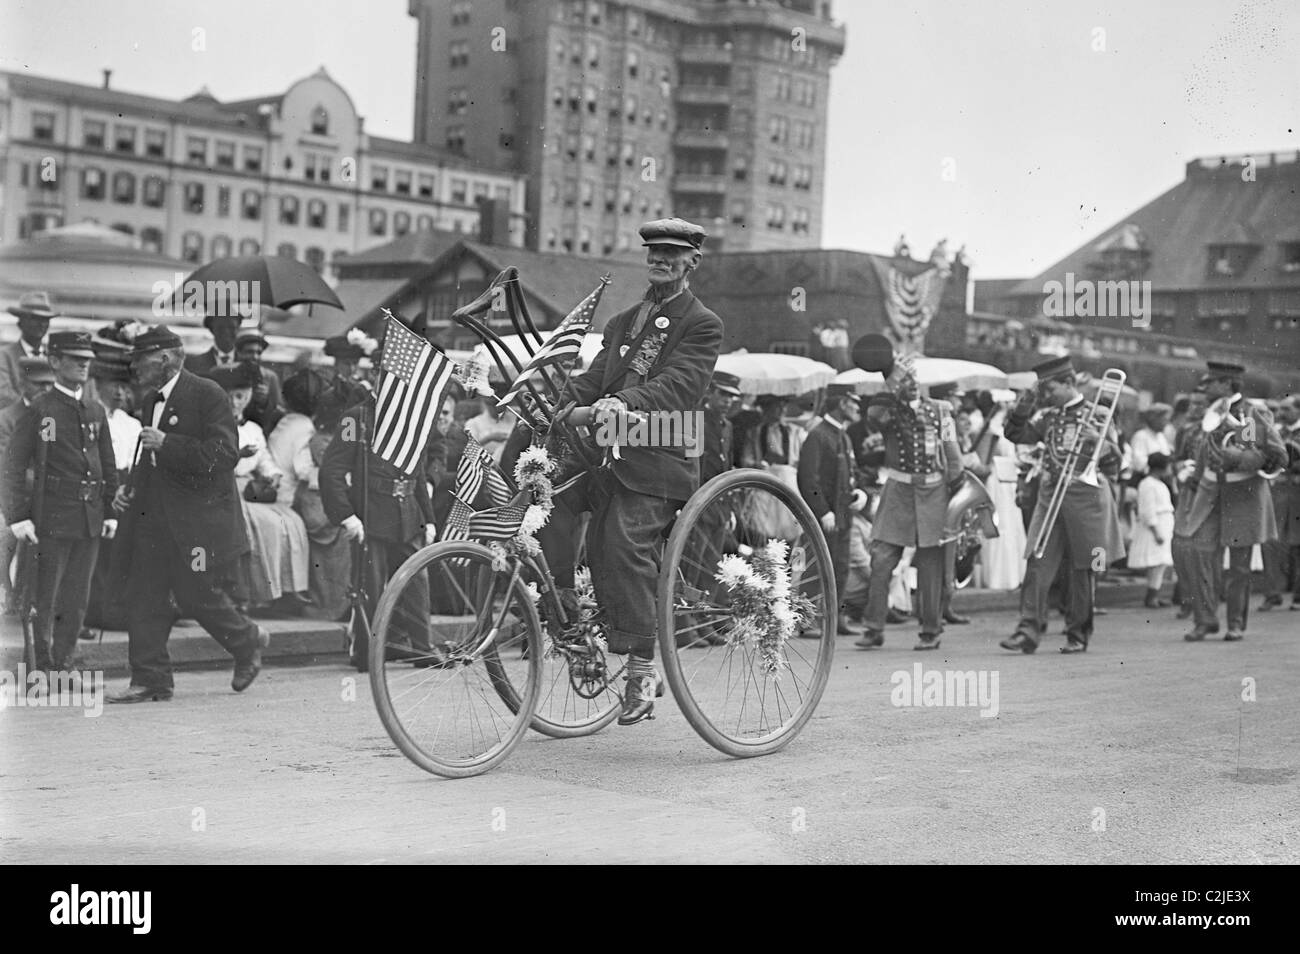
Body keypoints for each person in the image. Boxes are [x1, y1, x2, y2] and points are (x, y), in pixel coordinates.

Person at [558, 216, 723, 725]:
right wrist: (557, 401)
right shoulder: (623, 321)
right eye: (654, 251)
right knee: (550, 505)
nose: (661, 259)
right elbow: (593, 379)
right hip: (608, 451)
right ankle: (569, 624)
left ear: (693, 261)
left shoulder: (702, 324)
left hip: (660, 460)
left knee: (622, 542)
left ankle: (641, 668)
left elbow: (679, 387)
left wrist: (620, 403)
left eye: (673, 253)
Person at [106, 326, 269, 703]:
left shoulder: (207, 393)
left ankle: (248, 642)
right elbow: (149, 459)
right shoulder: (150, 400)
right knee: (144, 595)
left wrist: (168, 443)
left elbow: (224, 456)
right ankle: (150, 679)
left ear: (163, 359)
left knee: (197, 594)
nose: (133, 366)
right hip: (155, 520)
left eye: (139, 358)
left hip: (198, 524)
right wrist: (128, 488)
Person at [2, 334, 117, 672]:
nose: (83, 363)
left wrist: (109, 509)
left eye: (87, 357)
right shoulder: (43, 410)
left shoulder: (95, 409)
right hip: (51, 518)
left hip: (89, 517)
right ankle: (41, 665)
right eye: (74, 357)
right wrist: (19, 516)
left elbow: (106, 463)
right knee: (45, 596)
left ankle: (64, 662)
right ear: (54, 362)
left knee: (76, 597)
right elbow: (12, 464)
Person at [319, 345, 439, 671]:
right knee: (370, 588)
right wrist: (345, 515)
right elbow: (331, 471)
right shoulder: (356, 419)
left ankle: (423, 648)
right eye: (387, 377)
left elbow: (416, 468)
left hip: (407, 513)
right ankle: (368, 652)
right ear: (374, 376)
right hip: (371, 514)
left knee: (417, 583)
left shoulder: (409, 419)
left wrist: (428, 518)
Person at [999, 355, 1125, 655]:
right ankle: (1028, 629)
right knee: (1037, 561)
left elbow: (1116, 465)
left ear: (1069, 384)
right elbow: (1015, 434)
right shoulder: (1048, 416)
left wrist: (1102, 443)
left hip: (1087, 499)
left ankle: (1078, 633)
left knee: (1084, 568)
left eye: (1050, 390)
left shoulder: (1098, 414)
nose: (1046, 396)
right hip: (1050, 494)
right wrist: (1025, 405)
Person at [855, 352, 963, 650]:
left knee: (930, 566)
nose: (912, 383)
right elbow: (873, 417)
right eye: (906, 379)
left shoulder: (942, 410)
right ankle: (873, 628)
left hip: (934, 494)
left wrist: (957, 491)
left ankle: (931, 630)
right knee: (882, 560)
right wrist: (893, 380)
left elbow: (952, 453)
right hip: (898, 494)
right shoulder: (889, 410)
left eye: (914, 377)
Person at [1181, 361, 1286, 642]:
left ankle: (1235, 623)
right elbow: (1208, 450)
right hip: (1211, 493)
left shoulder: (1250, 415)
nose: (1206, 389)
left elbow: (1275, 454)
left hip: (1243, 497)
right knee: (1200, 553)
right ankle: (1205, 621)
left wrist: (1239, 457)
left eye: (1212, 383)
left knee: (1239, 566)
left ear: (1228, 384)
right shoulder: (1212, 414)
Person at [209, 363, 309, 610]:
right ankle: (250, 593)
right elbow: (209, 462)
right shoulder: (213, 427)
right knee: (258, 525)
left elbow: (264, 459)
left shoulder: (252, 429)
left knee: (290, 521)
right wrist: (237, 457)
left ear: (250, 396)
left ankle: (286, 589)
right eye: (229, 396)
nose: (234, 402)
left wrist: (272, 475)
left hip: (249, 489)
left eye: (240, 396)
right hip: (222, 487)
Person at [798, 383, 870, 636]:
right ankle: (806, 621)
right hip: (825, 517)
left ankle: (835, 618)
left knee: (840, 567)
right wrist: (822, 510)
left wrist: (860, 492)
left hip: (842, 515)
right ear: (842, 403)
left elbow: (853, 473)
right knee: (815, 567)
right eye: (854, 402)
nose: (857, 407)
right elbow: (808, 479)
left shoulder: (843, 435)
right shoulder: (818, 435)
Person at [0, 358, 55, 614]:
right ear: (23, 384)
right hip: (12, 498)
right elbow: (7, 468)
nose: (45, 391)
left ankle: (38, 601)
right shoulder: (7, 419)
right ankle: (12, 596)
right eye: (39, 385)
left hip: (44, 497)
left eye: (49, 386)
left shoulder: (52, 416)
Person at [1260, 395, 1300, 611]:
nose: (1281, 413)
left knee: (1298, 546)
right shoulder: (1276, 431)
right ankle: (1272, 593)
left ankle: (1298, 596)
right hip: (1278, 492)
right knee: (1271, 543)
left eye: (1287, 409)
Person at [1129, 452, 1175, 607]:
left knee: (1160, 563)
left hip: (1164, 524)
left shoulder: (1160, 484)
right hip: (1155, 527)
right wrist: (1156, 531)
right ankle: (1152, 595)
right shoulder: (1147, 484)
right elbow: (1147, 509)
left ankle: (1154, 592)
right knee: (1156, 563)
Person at [0, 291, 54, 408]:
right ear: (20, 323)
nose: (41, 324)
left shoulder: (54, 357)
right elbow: (4, 396)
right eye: (34, 318)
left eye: (46, 319)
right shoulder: (4, 356)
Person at [232, 326, 284, 434]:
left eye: (258, 353)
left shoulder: (270, 377)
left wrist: (265, 403)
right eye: (249, 352)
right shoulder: (229, 373)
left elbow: (279, 413)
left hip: (259, 433)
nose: (255, 356)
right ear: (239, 352)